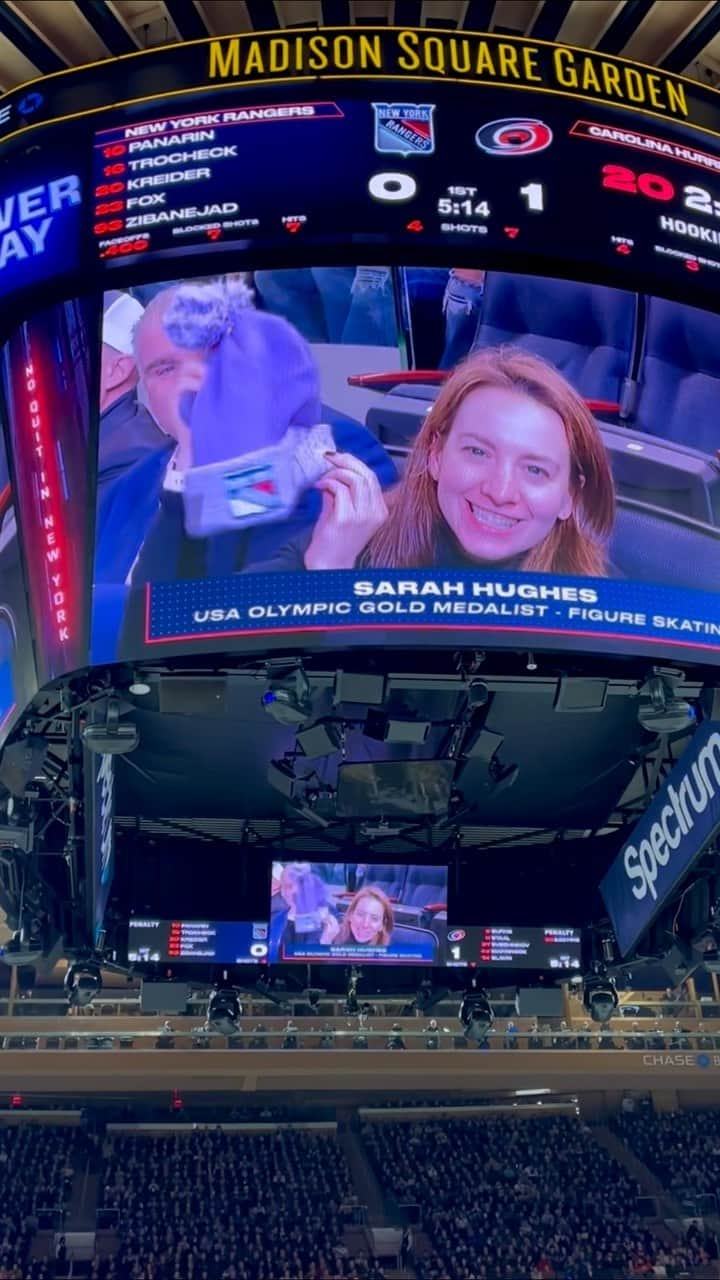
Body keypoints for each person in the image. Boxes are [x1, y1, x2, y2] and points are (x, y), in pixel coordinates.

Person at [256, 346, 615, 576]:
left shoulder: (602, 607)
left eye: (535, 470)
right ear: (435, 455)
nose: (500, 491)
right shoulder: (352, 536)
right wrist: (330, 577)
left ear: (571, 496)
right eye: (478, 452)